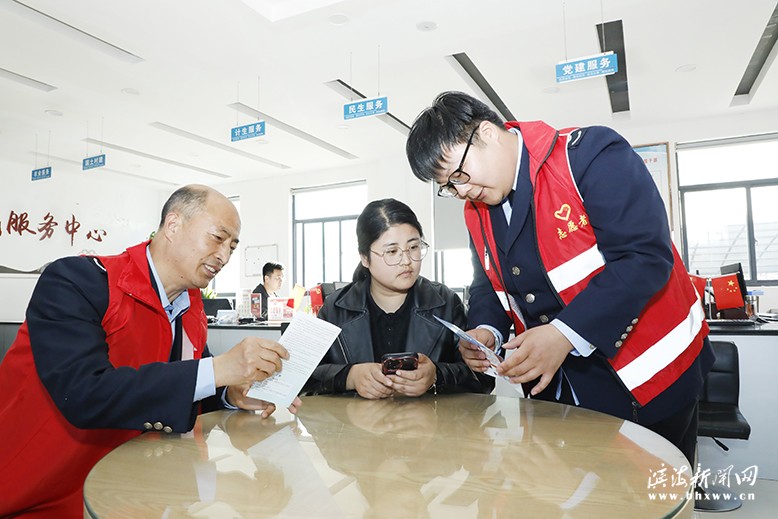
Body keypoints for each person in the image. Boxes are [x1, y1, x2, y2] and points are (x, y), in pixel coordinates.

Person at [405, 91, 714, 466]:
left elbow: (644, 257)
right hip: (563, 393)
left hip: (649, 377)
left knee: (656, 499)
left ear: (485, 133)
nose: (462, 191)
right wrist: (487, 329)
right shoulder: (478, 210)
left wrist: (564, 334)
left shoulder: (588, 156)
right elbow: (487, 284)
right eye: (449, 187)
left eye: (459, 175)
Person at [0, 184, 301, 518]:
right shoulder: (77, 282)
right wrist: (219, 370)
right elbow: (83, 394)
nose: (224, 256)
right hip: (35, 490)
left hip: (128, 488)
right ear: (172, 226)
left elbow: (181, 387)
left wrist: (231, 392)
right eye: (218, 238)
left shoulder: (189, 308)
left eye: (232, 246)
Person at [303, 198, 493, 398]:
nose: (407, 261)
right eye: (392, 251)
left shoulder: (445, 302)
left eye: (413, 247)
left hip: (429, 426)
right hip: (358, 426)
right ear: (365, 258)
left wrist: (436, 376)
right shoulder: (336, 308)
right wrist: (350, 377)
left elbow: (484, 378)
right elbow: (304, 378)